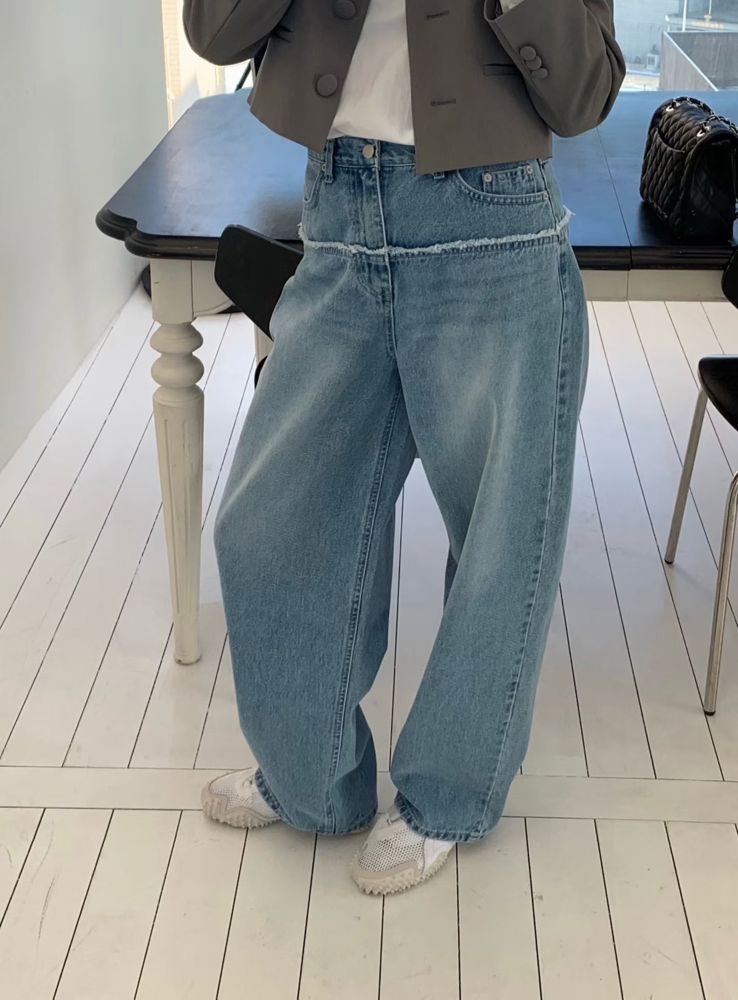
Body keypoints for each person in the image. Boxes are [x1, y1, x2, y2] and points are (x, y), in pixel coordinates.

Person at [184, 0, 626, 895]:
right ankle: (311, 782)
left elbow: (584, 94)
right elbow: (213, 32)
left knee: (501, 537)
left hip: (494, 220)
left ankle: (447, 798)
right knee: (271, 525)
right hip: (339, 208)